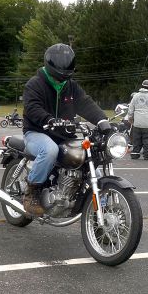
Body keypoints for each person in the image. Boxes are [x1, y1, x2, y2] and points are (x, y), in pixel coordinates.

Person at [22, 43, 111, 216]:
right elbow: (32, 108)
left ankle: (99, 210)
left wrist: (102, 121)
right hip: (37, 132)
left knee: (89, 159)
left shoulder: (71, 86)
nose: (61, 80)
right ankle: (31, 191)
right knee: (49, 150)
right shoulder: (35, 84)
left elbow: (86, 103)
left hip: (63, 135)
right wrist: (49, 119)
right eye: (58, 78)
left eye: (65, 77)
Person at [126, 79, 148, 160]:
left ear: (142, 86)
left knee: (136, 139)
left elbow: (131, 109)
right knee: (147, 139)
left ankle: (135, 154)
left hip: (137, 122)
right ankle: (147, 155)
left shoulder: (136, 96)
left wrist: (130, 118)